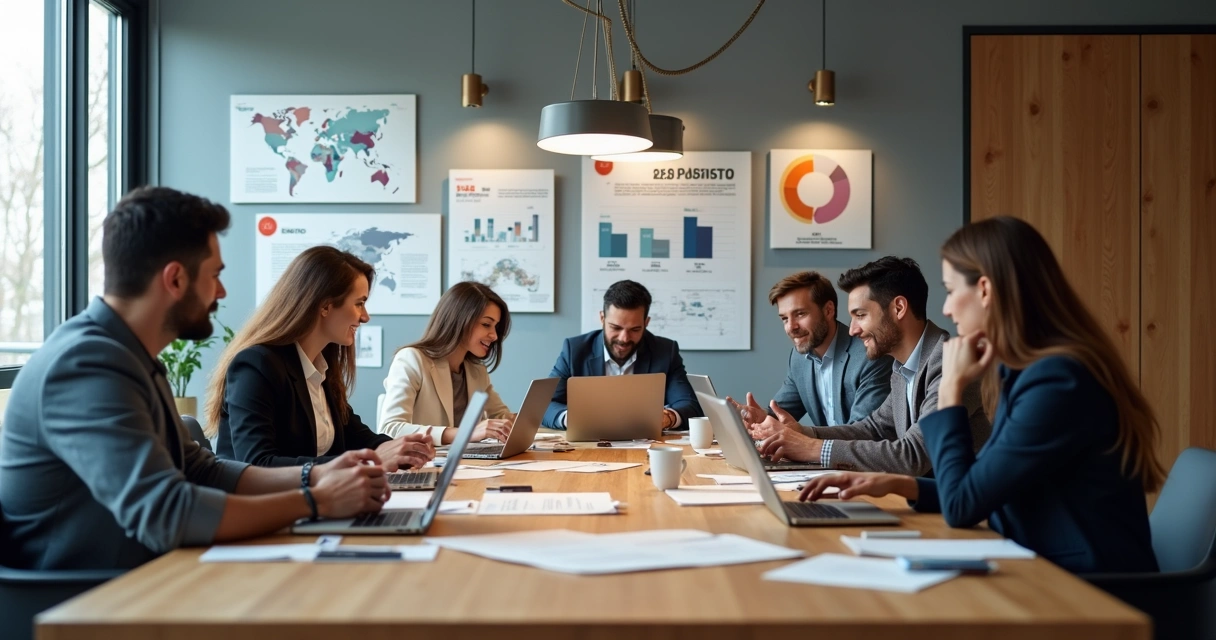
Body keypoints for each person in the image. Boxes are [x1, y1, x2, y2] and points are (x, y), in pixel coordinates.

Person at [0, 187, 388, 571]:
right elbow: (168, 513)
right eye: (215, 275)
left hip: (143, 578)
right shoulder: (86, 364)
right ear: (175, 279)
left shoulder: (129, 358)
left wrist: (316, 474)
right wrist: (317, 500)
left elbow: (203, 469)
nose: (221, 291)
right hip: (82, 602)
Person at [800, 217, 1162, 574]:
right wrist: (898, 484)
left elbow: (963, 504)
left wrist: (952, 390)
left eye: (952, 290)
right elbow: (982, 485)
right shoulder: (1026, 372)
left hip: (1090, 590)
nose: (946, 308)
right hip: (1041, 563)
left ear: (985, 290)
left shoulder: (1058, 381)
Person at [754, 257, 991, 476]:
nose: (852, 329)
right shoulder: (903, 366)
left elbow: (913, 455)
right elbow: (874, 428)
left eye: (861, 315)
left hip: (961, 512)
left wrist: (811, 448)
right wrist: (802, 433)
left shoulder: (950, 361)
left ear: (898, 308)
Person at [208, 246, 434, 470]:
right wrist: (369, 460)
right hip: (264, 504)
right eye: (359, 303)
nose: (365, 317)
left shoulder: (319, 368)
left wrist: (404, 450)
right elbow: (257, 464)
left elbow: (357, 435)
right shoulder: (257, 365)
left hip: (314, 500)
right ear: (325, 306)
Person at [727, 271, 891, 428]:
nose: (791, 327)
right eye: (784, 318)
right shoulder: (799, 359)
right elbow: (781, 413)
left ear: (828, 310)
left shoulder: (869, 355)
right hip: (820, 455)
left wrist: (802, 438)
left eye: (800, 314)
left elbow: (864, 431)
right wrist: (760, 418)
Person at [542, 280, 701, 429]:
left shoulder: (665, 351)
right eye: (616, 328)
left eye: (635, 329)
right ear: (602, 318)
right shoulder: (575, 350)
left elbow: (689, 405)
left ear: (646, 323)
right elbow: (545, 405)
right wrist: (571, 418)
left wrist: (669, 417)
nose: (624, 339)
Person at [378, 282, 515, 445]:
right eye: (486, 324)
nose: (494, 336)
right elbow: (390, 428)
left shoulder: (476, 370)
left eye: (496, 327)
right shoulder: (412, 359)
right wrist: (466, 433)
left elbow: (501, 416)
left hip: (467, 464)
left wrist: (523, 420)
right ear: (460, 320)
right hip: (424, 464)